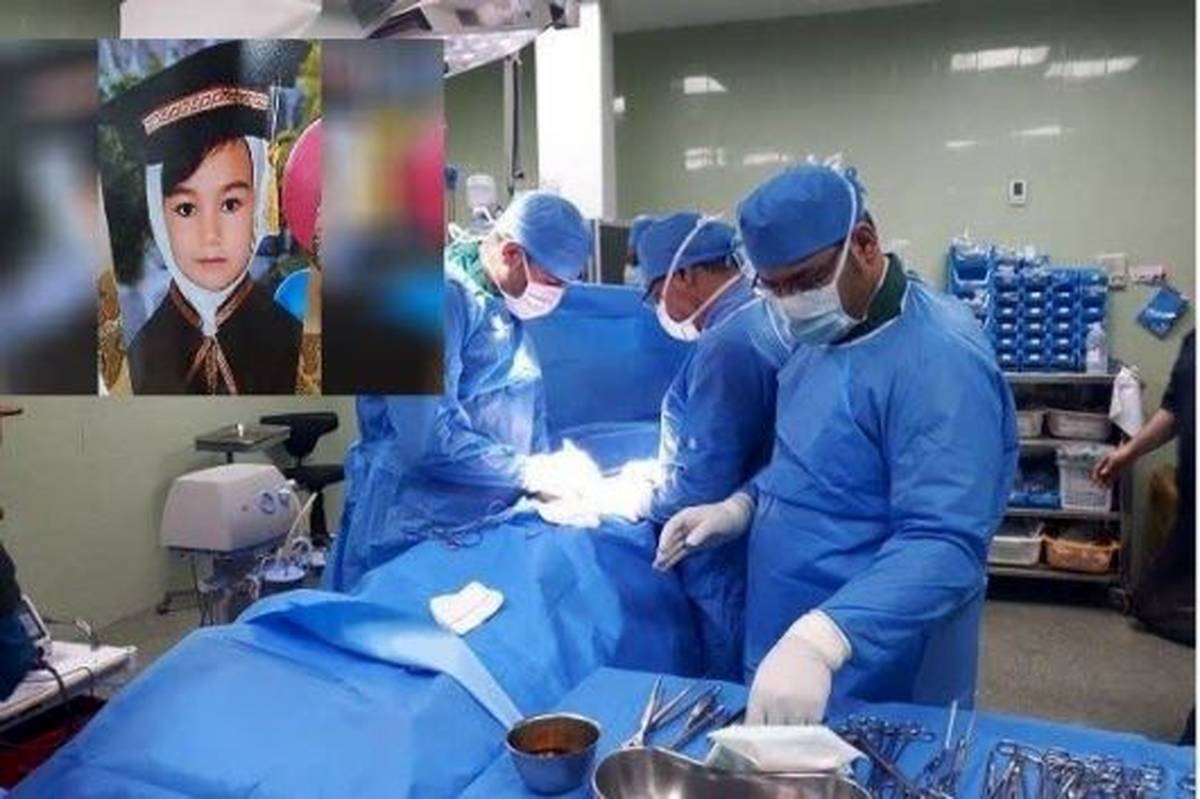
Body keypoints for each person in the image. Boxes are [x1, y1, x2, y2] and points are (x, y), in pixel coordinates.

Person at [655, 162, 1018, 724]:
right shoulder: (823, 332)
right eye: (772, 288)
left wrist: (827, 637)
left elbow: (945, 541)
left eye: (803, 282)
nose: (789, 303)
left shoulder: (940, 359)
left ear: (865, 245)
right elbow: (813, 463)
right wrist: (741, 507)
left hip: (879, 659)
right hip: (788, 637)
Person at [326, 191, 594, 592]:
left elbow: (522, 410)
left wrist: (546, 472)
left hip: (481, 526)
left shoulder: (500, 308)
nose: (556, 296)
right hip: (412, 529)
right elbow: (425, 439)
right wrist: (527, 471)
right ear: (511, 254)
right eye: (553, 283)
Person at [603, 212, 778, 678]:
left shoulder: (727, 344)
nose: (658, 307)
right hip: (759, 541)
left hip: (725, 556)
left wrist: (634, 498)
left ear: (685, 275)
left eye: (656, 293)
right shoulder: (757, 317)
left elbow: (702, 485)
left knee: (727, 689)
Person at [101, 41, 307, 394]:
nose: (210, 235)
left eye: (230, 204)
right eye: (186, 209)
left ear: (259, 201)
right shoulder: (138, 364)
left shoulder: (297, 349)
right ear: (158, 214)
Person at [1092, 330, 1194, 742]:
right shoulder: (1194, 343)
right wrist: (1128, 451)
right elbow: (1176, 409)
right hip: (1193, 513)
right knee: (1154, 599)